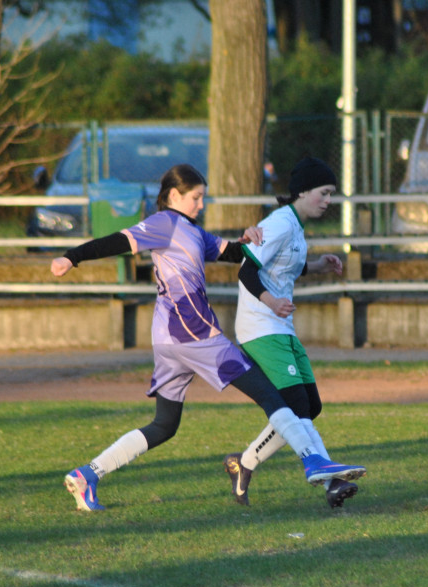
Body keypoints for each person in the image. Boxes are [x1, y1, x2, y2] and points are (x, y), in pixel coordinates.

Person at [52, 163, 365, 511]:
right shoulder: (164, 223)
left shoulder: (192, 231)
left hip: (169, 340)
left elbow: (235, 253)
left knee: (164, 425)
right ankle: (313, 461)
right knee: (270, 395)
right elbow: (118, 241)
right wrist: (72, 257)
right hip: (195, 334)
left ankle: (87, 474)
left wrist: (249, 237)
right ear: (174, 195)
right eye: (196, 197)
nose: (201, 204)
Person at [222, 157, 360, 509]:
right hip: (260, 326)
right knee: (296, 406)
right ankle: (330, 480)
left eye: (331, 194)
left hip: (280, 326)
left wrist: (318, 265)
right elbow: (247, 272)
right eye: (323, 193)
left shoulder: (295, 226)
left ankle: (244, 463)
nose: (328, 200)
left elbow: (283, 268)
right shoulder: (281, 223)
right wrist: (271, 301)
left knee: (309, 406)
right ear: (302, 191)